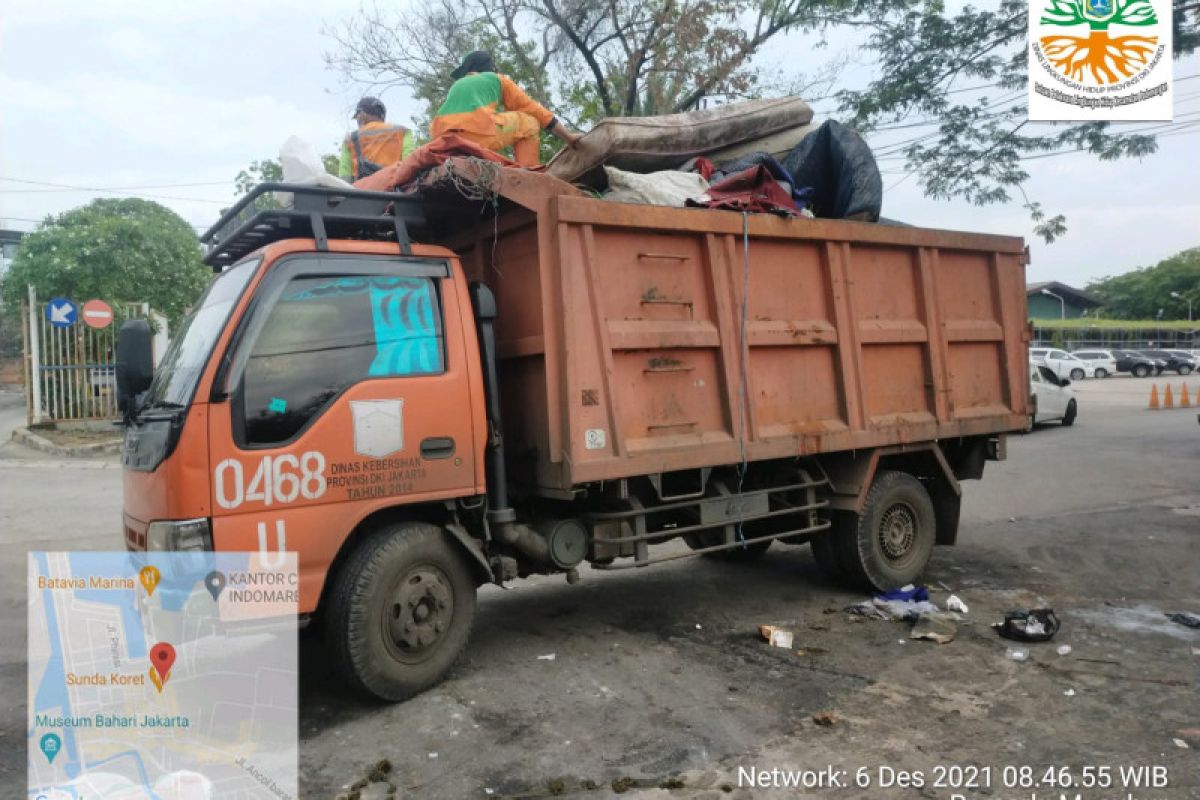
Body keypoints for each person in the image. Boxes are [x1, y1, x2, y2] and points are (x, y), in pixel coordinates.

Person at [431, 50, 581, 167]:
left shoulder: (456, 86)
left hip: (443, 141)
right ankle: (529, 174)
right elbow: (533, 109)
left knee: (492, 120)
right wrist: (568, 137)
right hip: (474, 134)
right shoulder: (496, 79)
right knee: (529, 122)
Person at [339, 97, 415, 181]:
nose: (357, 120)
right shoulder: (402, 131)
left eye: (357, 116)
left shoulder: (350, 138)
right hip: (395, 190)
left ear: (362, 114)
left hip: (361, 191)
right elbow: (409, 163)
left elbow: (345, 175)